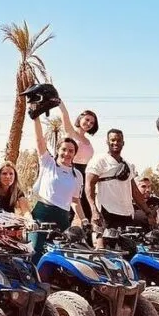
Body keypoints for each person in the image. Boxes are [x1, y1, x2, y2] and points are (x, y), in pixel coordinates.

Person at [29, 107, 88, 260]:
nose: (67, 154)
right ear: (57, 150)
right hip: (42, 212)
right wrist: (36, 117)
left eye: (71, 151)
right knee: (35, 250)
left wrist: (84, 220)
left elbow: (75, 201)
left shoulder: (77, 175)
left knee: (63, 254)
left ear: (75, 154)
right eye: (64, 150)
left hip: (63, 216)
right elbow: (39, 140)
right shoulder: (48, 163)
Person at [85, 129, 151, 249]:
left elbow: (135, 192)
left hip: (126, 214)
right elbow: (89, 185)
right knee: (105, 253)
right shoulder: (99, 160)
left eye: (118, 140)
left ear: (123, 143)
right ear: (107, 142)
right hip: (107, 213)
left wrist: (148, 212)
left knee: (127, 252)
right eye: (113, 140)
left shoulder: (127, 164)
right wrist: (94, 210)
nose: (116, 143)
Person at [59, 101, 98, 237]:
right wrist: (60, 102)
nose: (88, 123)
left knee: (86, 207)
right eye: (87, 120)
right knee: (69, 206)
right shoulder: (71, 133)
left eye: (92, 123)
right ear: (80, 118)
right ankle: (62, 235)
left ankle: (86, 239)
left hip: (85, 174)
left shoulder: (88, 142)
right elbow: (64, 115)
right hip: (72, 170)